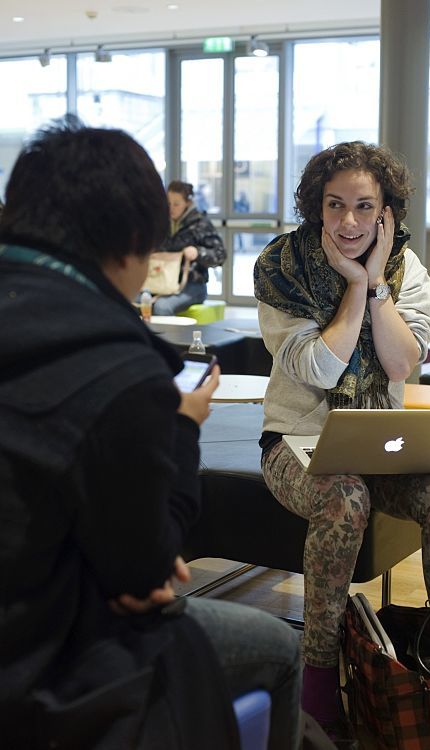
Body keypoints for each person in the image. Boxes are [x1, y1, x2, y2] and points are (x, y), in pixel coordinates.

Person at [0, 116, 302, 750]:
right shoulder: (119, 367)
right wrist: (183, 429)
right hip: (38, 670)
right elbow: (144, 576)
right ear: (135, 243)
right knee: (278, 648)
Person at [254, 141, 430, 745]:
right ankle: (319, 684)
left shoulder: (408, 271)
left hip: (382, 444)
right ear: (316, 208)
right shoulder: (283, 267)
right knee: (345, 496)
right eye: (334, 205)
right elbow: (320, 369)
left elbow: (404, 361)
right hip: (295, 444)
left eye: (363, 206)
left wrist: (377, 284)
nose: (348, 222)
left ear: (386, 213)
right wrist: (354, 285)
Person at [151, 180, 226, 315]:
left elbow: (220, 255)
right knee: (134, 301)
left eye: (176, 204)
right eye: (168, 204)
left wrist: (198, 253)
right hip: (161, 282)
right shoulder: (162, 224)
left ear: (187, 203)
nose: (171, 208)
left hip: (193, 286)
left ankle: (165, 337)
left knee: (161, 307)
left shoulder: (200, 223)